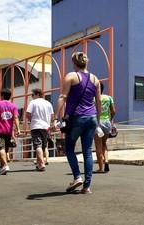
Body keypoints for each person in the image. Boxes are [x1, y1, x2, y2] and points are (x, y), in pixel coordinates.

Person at [55, 52, 101, 194]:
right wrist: (97, 121)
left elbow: (63, 97)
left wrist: (57, 117)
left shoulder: (71, 76)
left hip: (76, 118)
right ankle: (86, 187)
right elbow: (98, 102)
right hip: (91, 118)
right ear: (86, 63)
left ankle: (77, 177)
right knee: (87, 151)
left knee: (69, 149)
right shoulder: (95, 79)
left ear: (74, 63)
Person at [26, 88, 54, 171]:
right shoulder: (48, 103)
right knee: (44, 146)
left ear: (37, 94)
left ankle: (41, 164)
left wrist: (31, 120)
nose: (32, 96)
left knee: (38, 145)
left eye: (32, 95)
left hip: (36, 126)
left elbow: (28, 114)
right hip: (46, 127)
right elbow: (52, 116)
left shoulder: (33, 102)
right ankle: (39, 163)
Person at [94, 82, 115, 173]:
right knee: (104, 144)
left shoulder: (93, 99)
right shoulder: (109, 98)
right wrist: (110, 120)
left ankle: (100, 168)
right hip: (107, 123)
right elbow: (113, 111)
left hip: (98, 123)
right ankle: (106, 161)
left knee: (98, 146)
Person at [0, 89, 20, 175]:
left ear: (2, 95)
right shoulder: (13, 106)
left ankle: (5, 166)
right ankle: (2, 167)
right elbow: (15, 118)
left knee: (1, 148)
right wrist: (18, 129)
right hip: (8, 131)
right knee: (5, 149)